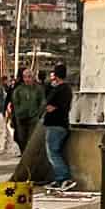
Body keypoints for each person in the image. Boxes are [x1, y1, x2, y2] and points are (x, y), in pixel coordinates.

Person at [41, 63, 83, 194]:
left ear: (56, 75)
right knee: (55, 152)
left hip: (56, 125)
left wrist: (50, 107)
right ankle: (59, 179)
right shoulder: (65, 89)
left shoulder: (61, 89)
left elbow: (49, 105)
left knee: (53, 152)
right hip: (61, 124)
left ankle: (64, 177)